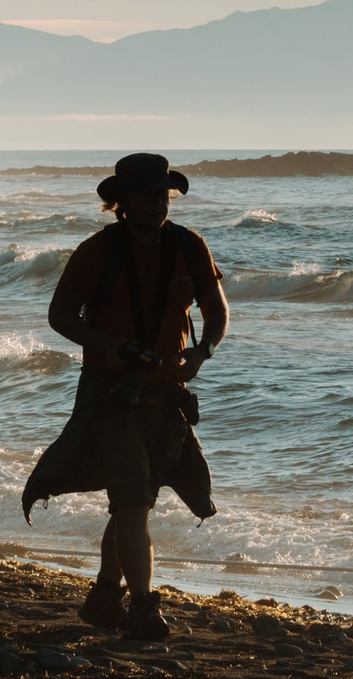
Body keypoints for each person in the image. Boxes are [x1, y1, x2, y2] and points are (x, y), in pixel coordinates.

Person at [22, 153, 227, 640]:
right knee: (134, 504)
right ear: (123, 202)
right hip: (111, 395)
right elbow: (60, 316)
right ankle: (143, 608)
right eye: (147, 195)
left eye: (164, 194)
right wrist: (111, 348)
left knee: (135, 503)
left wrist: (203, 352)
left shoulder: (190, 246)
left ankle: (104, 597)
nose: (159, 202)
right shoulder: (97, 251)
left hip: (167, 395)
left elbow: (217, 311)